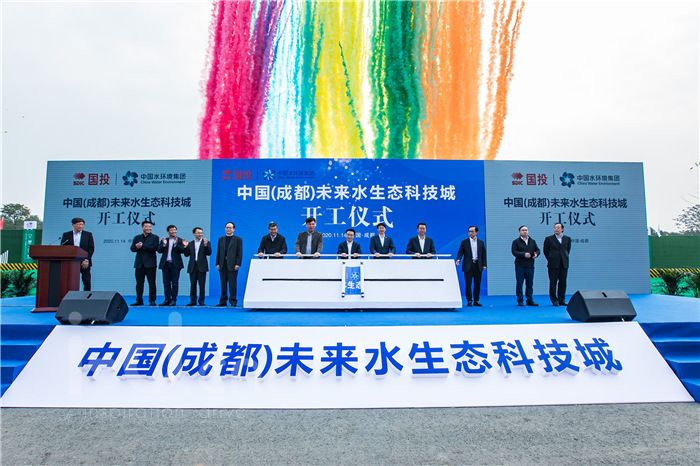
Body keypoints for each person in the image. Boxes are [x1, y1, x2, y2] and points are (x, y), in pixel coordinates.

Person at [455, 225, 487, 307]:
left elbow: (483, 255)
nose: (470, 233)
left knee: (477, 283)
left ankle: (476, 300)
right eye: (469, 231)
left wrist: (484, 265)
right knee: (468, 283)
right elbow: (460, 252)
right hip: (468, 265)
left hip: (478, 265)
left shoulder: (481, 242)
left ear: (476, 232)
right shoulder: (464, 242)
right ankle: (469, 300)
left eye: (472, 231)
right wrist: (458, 259)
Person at [130, 220, 159, 306]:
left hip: (150, 264)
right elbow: (132, 249)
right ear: (142, 227)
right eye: (146, 226)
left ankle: (152, 300)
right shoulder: (137, 237)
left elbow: (154, 248)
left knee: (152, 283)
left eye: (150, 227)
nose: (148, 228)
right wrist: (136, 247)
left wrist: (142, 246)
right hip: (139, 264)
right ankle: (139, 300)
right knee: (139, 283)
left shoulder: (155, 237)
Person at [60, 217, 94, 291]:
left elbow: (91, 249)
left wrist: (86, 259)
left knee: (86, 280)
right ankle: (69, 294)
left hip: (84, 261)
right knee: (69, 280)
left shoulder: (88, 234)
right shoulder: (66, 235)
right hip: (70, 261)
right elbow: (63, 247)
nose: (80, 226)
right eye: (78, 224)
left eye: (82, 224)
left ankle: (87, 295)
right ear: (73, 225)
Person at [156, 224, 187, 306]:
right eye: (171, 230)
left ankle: (173, 300)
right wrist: (163, 245)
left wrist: (176, 245)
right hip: (165, 264)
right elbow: (159, 250)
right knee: (166, 283)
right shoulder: (164, 240)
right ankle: (167, 299)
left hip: (175, 264)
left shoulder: (180, 240)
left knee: (175, 283)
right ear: (168, 231)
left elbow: (183, 251)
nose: (173, 231)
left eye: (174, 230)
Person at [543, 223, 572, 306]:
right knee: (553, 282)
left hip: (564, 264)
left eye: (558, 227)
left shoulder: (567, 238)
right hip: (553, 264)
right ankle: (554, 300)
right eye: (555, 228)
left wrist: (563, 258)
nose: (556, 229)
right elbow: (546, 251)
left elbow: (567, 250)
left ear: (562, 229)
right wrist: (552, 259)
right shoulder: (549, 239)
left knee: (563, 282)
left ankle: (561, 299)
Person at [511, 225, 540, 307]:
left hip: (530, 265)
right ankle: (520, 300)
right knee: (520, 283)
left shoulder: (532, 241)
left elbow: (537, 250)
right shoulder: (516, 242)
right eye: (523, 230)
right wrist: (524, 254)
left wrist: (536, 254)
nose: (525, 231)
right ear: (519, 232)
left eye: (526, 230)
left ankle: (529, 300)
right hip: (520, 265)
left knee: (530, 283)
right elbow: (514, 252)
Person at [215, 222, 242, 307]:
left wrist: (238, 264)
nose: (228, 229)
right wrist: (217, 263)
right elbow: (218, 252)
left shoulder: (238, 239)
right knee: (223, 284)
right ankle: (223, 301)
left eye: (230, 228)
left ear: (234, 229)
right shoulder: (221, 239)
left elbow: (239, 253)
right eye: (227, 227)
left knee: (232, 284)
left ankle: (233, 301)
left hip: (233, 265)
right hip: (222, 264)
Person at [183, 227, 211, 306]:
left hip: (202, 267)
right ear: (194, 234)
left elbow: (209, 253)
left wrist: (206, 245)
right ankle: (193, 301)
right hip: (192, 267)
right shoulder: (190, 243)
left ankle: (201, 301)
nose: (200, 234)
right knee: (193, 285)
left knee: (202, 285)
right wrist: (185, 247)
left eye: (201, 233)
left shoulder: (206, 242)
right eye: (198, 233)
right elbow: (186, 254)